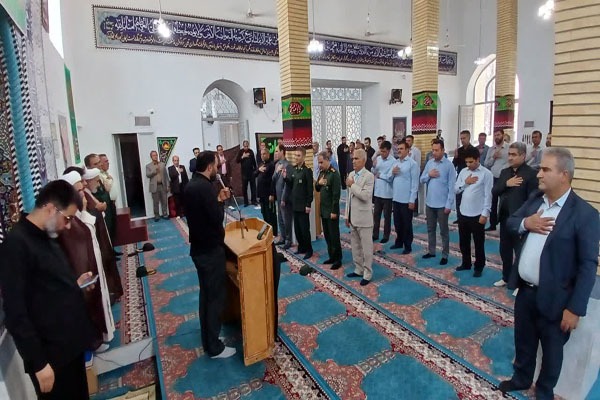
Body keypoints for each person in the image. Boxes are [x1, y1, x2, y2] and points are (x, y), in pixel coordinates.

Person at [499, 147, 599, 400]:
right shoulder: (536, 200)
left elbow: (588, 266)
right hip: (526, 292)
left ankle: (544, 392)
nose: (539, 174)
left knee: (552, 352)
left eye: (545, 169)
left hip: (557, 298)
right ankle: (521, 378)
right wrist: (527, 223)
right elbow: (511, 223)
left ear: (564, 175)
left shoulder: (585, 215)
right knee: (524, 341)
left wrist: (575, 308)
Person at [0, 180, 97, 399]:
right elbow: (15, 312)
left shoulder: (46, 235)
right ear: (51, 209)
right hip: (51, 359)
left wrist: (75, 285)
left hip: (70, 347)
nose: (68, 226)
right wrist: (38, 363)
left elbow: (46, 288)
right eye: (68, 218)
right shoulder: (16, 245)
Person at [183, 151, 236, 359]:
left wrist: (216, 199)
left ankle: (208, 340)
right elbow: (215, 218)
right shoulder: (205, 187)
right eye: (216, 165)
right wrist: (220, 201)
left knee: (206, 297)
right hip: (210, 250)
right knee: (214, 298)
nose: (217, 169)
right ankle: (214, 347)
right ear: (209, 167)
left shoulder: (192, 185)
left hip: (199, 247)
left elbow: (203, 213)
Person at [491, 142, 538, 287]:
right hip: (505, 219)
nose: (510, 158)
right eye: (509, 154)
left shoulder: (531, 174)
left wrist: (527, 219)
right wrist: (507, 184)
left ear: (523, 156)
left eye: (514, 155)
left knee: (520, 253)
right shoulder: (505, 172)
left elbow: (533, 199)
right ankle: (506, 277)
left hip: (520, 221)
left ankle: (520, 283)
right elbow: (495, 190)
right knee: (504, 250)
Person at [454, 147, 493, 277]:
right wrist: (465, 183)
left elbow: (488, 195)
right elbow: (456, 189)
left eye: (471, 162)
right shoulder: (463, 172)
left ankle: (479, 266)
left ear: (477, 159)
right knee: (463, 241)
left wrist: (485, 213)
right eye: (466, 162)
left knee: (478, 243)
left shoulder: (486, 174)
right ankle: (466, 263)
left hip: (478, 214)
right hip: (463, 212)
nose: (468, 165)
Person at [420, 139, 456, 265]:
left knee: (443, 231)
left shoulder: (449, 166)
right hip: (430, 203)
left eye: (436, 150)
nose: (434, 153)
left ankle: (445, 254)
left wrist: (449, 204)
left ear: (443, 150)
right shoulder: (429, 163)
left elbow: (452, 186)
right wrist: (429, 175)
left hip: (442, 205)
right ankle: (431, 251)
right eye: (433, 150)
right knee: (430, 229)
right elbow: (422, 179)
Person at [344, 148, 375, 286]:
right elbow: (348, 197)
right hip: (353, 217)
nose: (353, 161)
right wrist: (347, 215)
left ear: (363, 160)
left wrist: (352, 185)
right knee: (355, 246)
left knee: (366, 248)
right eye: (352, 159)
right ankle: (358, 269)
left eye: (356, 158)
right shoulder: (351, 174)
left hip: (364, 218)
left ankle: (367, 273)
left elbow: (365, 196)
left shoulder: (369, 176)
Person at [386, 140, 419, 254]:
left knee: (406, 224)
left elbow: (415, 184)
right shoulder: (395, 163)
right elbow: (389, 178)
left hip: (406, 200)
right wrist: (392, 173)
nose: (399, 151)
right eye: (398, 149)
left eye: (401, 149)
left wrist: (412, 200)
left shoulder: (412, 164)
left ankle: (407, 245)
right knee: (397, 223)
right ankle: (399, 242)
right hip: (396, 198)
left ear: (407, 150)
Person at [285, 147, 313, 259]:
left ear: (304, 156)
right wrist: (285, 178)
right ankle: (301, 247)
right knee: (297, 229)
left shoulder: (307, 171)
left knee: (304, 229)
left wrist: (308, 204)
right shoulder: (294, 169)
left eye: (298, 155)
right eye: (295, 155)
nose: (296, 157)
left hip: (303, 205)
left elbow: (310, 189)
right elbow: (291, 185)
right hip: (295, 204)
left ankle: (309, 250)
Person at [315, 151, 342, 270]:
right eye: (318, 163)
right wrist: (319, 183)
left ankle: (338, 259)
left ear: (327, 160)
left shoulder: (334, 174)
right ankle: (331, 256)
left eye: (321, 162)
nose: (319, 165)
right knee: (327, 236)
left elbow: (336, 195)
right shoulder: (322, 173)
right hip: (324, 210)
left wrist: (334, 211)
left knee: (334, 236)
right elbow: (317, 188)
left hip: (331, 211)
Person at [484, 129, 510, 231]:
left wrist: (504, 169)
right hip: (493, 178)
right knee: (493, 201)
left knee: (504, 202)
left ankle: (504, 224)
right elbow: (486, 164)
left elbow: (511, 162)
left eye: (498, 135)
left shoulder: (509, 148)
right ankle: (492, 224)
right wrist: (493, 157)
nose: (496, 137)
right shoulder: (491, 149)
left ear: (503, 135)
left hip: (505, 178)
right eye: (495, 135)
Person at [371, 140, 394, 243]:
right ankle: (375, 234)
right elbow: (373, 172)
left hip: (387, 193)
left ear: (388, 151)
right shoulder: (378, 159)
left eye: (384, 151)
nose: (382, 153)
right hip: (377, 192)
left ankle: (386, 235)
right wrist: (374, 167)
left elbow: (390, 177)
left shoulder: (393, 161)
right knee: (376, 215)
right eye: (381, 151)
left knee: (387, 217)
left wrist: (380, 175)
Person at [272, 144, 293, 249]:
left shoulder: (288, 165)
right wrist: (277, 172)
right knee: (280, 217)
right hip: (278, 195)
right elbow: (273, 179)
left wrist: (284, 198)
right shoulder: (277, 165)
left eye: (277, 151)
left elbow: (287, 184)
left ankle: (289, 240)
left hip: (285, 197)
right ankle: (283, 237)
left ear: (282, 152)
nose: (275, 153)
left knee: (286, 219)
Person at [452, 130, 473, 224]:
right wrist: (456, 157)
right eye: (461, 138)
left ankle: (468, 217)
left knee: (469, 197)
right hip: (460, 177)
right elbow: (454, 164)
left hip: (470, 177)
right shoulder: (459, 151)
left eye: (464, 138)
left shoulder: (473, 150)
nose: (462, 140)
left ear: (469, 138)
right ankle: (459, 217)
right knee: (458, 198)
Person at [256, 148, 277, 236]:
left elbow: (272, 181)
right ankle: (267, 232)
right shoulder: (261, 164)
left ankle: (274, 233)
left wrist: (272, 194)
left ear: (268, 154)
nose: (262, 155)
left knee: (270, 215)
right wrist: (258, 170)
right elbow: (254, 174)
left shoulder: (271, 165)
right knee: (264, 213)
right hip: (261, 194)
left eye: (264, 154)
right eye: (261, 154)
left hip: (268, 194)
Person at [145, 150, 169, 221]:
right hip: (154, 187)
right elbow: (148, 175)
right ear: (151, 157)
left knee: (164, 201)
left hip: (163, 185)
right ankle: (157, 216)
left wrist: (168, 185)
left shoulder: (162, 164)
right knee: (155, 202)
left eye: (156, 155)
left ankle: (165, 214)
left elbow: (166, 176)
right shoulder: (148, 166)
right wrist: (154, 171)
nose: (155, 156)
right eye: (153, 155)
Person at [236, 140, 258, 207]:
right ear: (243, 146)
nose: (246, 147)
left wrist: (255, 170)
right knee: (244, 188)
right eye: (245, 146)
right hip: (244, 173)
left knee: (253, 187)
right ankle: (246, 202)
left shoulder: (251, 151)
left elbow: (254, 161)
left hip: (251, 172)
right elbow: (237, 160)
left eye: (247, 146)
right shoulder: (241, 152)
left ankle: (254, 201)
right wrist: (243, 157)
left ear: (248, 146)